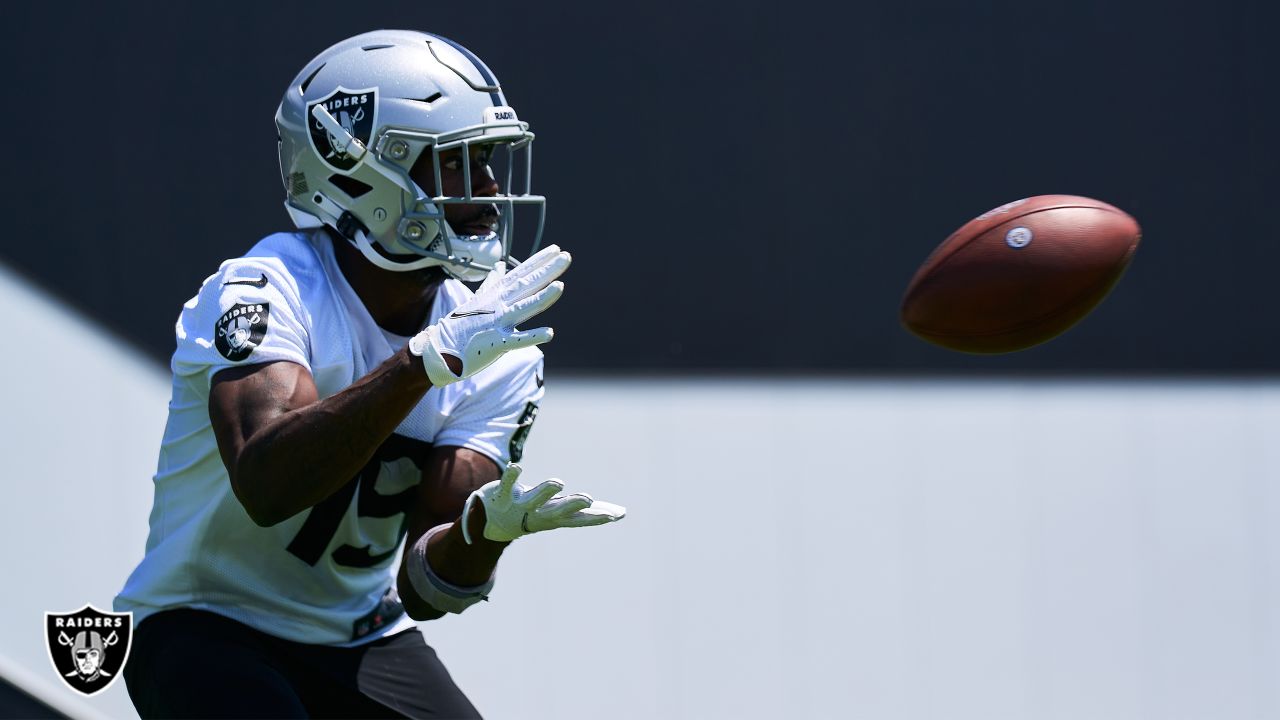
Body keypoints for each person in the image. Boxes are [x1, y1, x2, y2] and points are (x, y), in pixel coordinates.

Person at [114, 29, 624, 719]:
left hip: (358, 633)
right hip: (205, 618)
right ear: (367, 175)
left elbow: (425, 588)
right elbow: (267, 483)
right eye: (459, 161)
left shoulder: (497, 337)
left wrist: (484, 536)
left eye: (489, 159)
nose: (490, 186)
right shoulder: (265, 290)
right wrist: (422, 364)